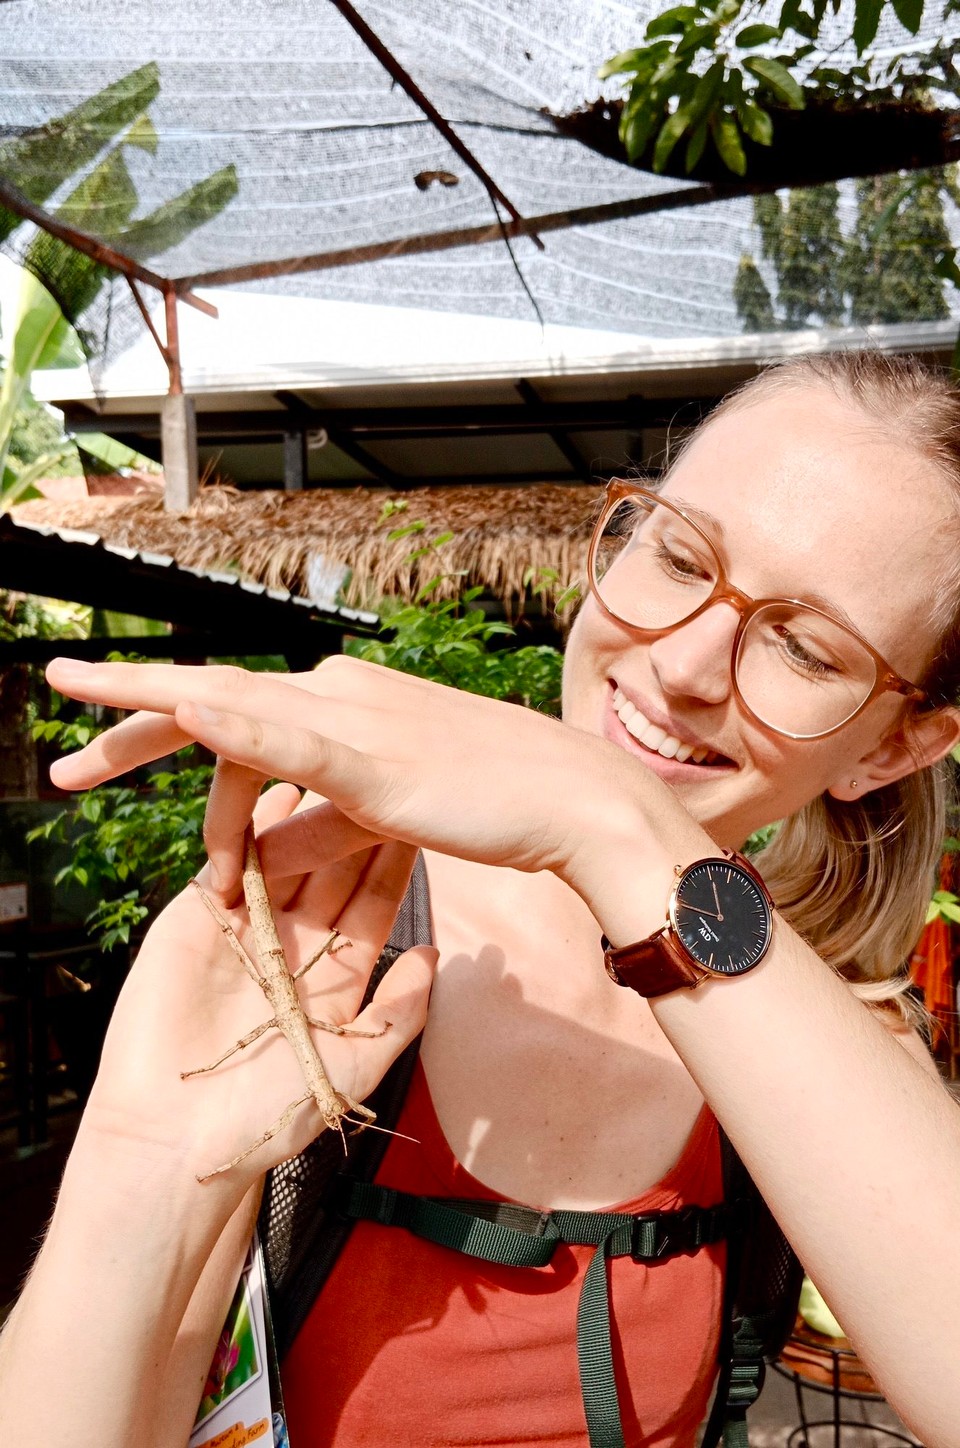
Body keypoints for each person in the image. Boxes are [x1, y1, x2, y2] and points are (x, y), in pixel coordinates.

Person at [3, 349, 960, 1448]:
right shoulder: (338, 928)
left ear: (893, 748)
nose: (686, 666)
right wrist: (145, 1160)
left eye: (802, 647)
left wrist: (611, 820)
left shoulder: (836, 1034)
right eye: (679, 555)